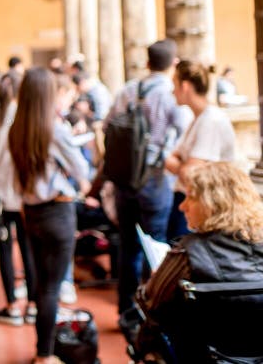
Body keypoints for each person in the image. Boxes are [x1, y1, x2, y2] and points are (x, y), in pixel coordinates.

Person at [136, 163, 263, 362]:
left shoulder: (189, 252)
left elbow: (151, 304)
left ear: (211, 202)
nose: (182, 205)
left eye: (191, 197)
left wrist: (156, 278)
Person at [8, 68, 91, 364]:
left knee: (43, 284)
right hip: (57, 210)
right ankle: (45, 354)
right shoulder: (54, 129)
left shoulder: (16, 129)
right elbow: (82, 169)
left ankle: (43, 350)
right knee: (51, 288)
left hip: (31, 212)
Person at [106, 39, 189, 315]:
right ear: (173, 64)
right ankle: (149, 311)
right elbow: (185, 132)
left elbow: (107, 126)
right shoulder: (169, 95)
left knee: (128, 245)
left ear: (147, 62)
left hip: (124, 179)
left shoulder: (128, 90)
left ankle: (125, 310)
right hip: (155, 180)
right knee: (154, 244)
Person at [0, 72, 37, 326]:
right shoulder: (23, 115)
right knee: (27, 250)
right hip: (23, 195)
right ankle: (33, 306)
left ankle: (12, 306)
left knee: (3, 248)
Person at [165, 60, 235, 240]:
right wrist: (180, 164)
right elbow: (171, 158)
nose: (173, 91)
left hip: (202, 205)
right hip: (189, 199)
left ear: (185, 86)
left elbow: (190, 172)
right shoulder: (198, 119)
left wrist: (179, 164)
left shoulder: (211, 120)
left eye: (174, 85)